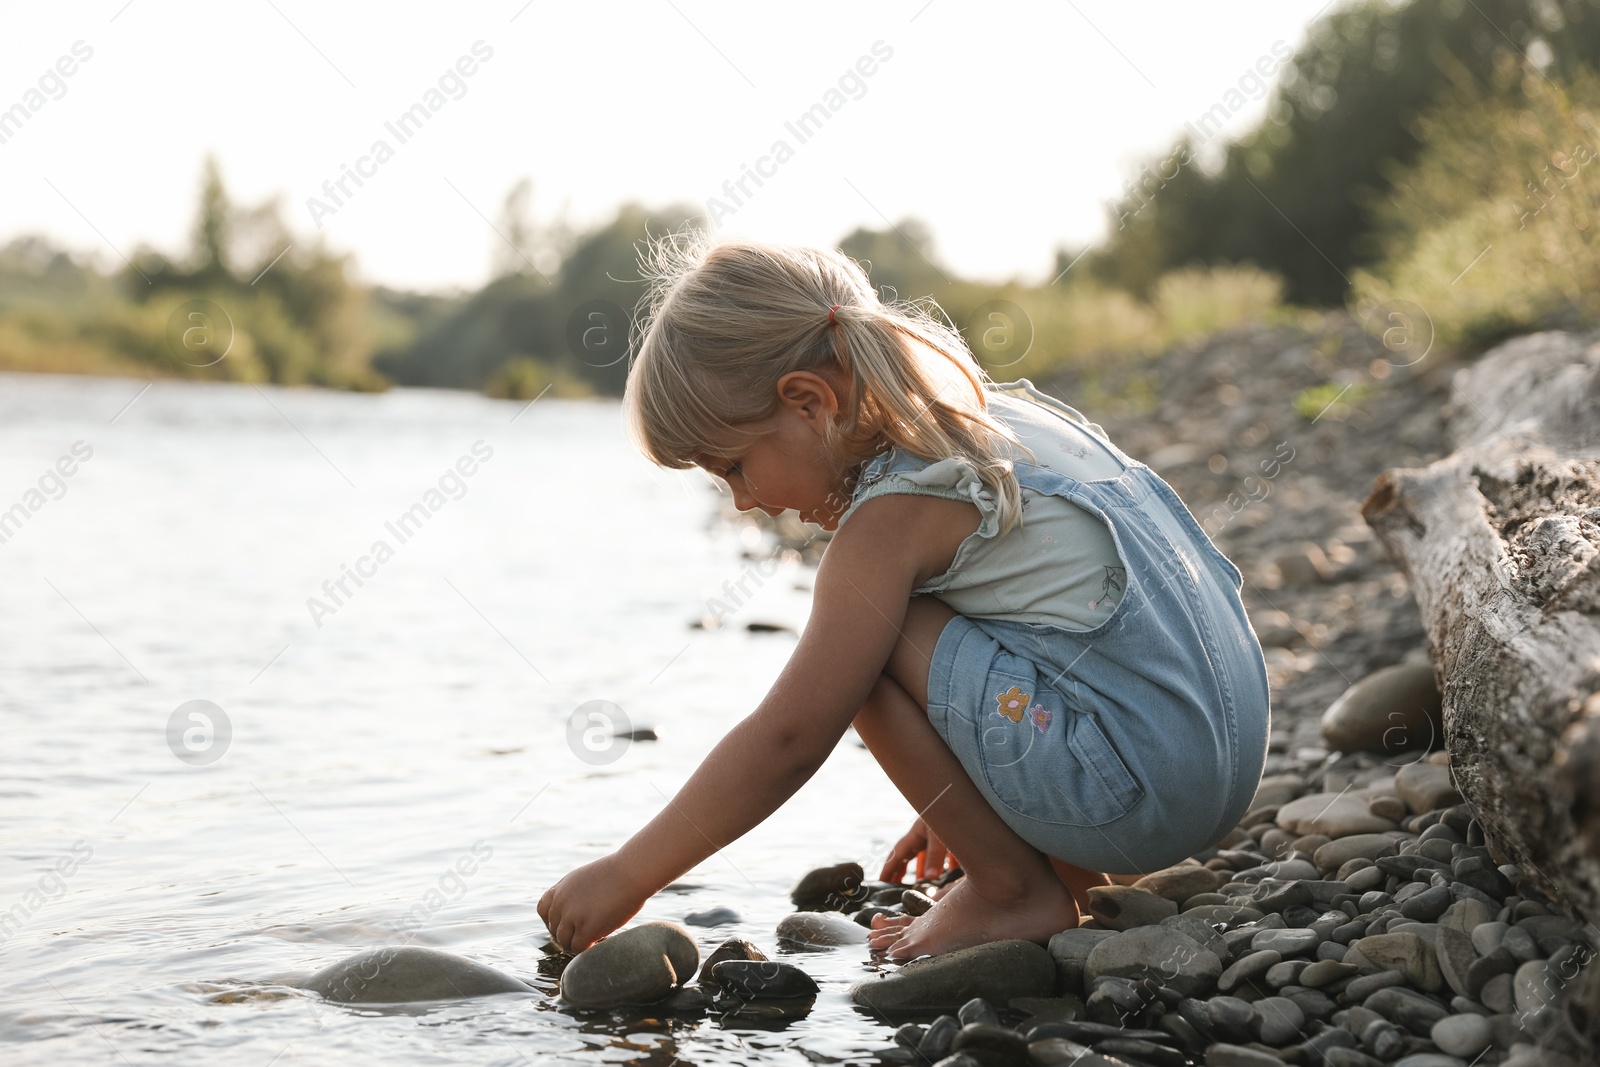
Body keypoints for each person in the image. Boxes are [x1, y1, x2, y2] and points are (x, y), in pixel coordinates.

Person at [537, 233, 1272, 961]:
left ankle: (1013, 889)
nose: (741, 502)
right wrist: (967, 787)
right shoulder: (993, 420)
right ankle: (1051, 861)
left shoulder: (889, 521)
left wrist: (628, 874)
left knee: (862, 645)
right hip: (1223, 758)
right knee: (881, 625)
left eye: (733, 467)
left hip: (1141, 800)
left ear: (808, 403)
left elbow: (791, 738)